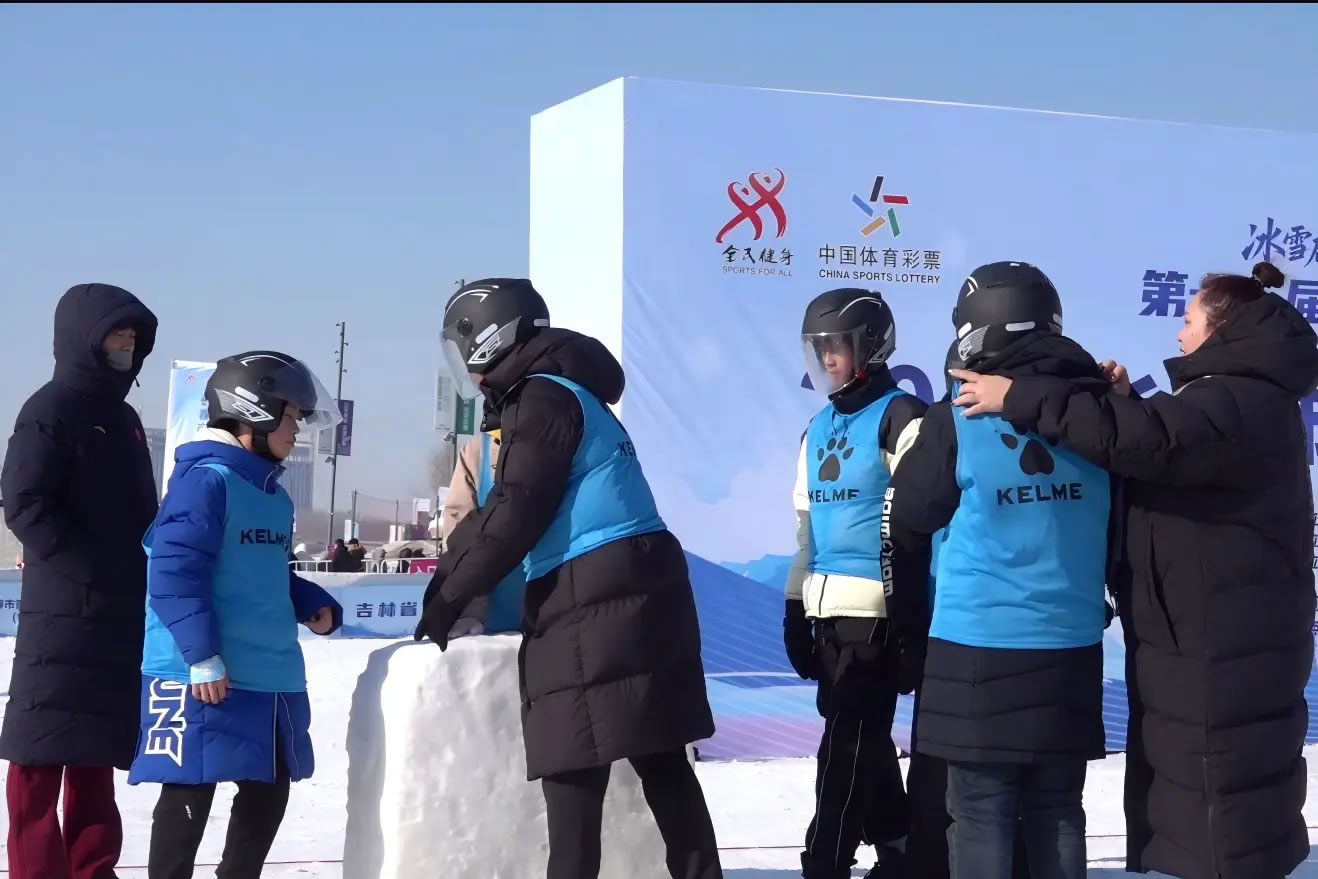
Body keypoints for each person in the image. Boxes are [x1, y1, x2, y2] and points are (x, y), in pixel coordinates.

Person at [948, 261, 1318, 879]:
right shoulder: (1237, 397)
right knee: (1214, 800)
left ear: (1222, 330)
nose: (1178, 332)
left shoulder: (1234, 398)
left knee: (1220, 806)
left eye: (1190, 320)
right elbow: (1166, 445)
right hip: (1217, 634)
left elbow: (1151, 442)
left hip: (1221, 643)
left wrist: (1017, 396)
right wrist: (1125, 403)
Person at [414, 278, 723, 879]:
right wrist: (450, 573)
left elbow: (517, 512)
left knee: (572, 772)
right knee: (663, 763)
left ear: (489, 339)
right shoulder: (570, 392)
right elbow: (503, 506)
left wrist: (449, 596)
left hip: (592, 594)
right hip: (636, 587)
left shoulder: (541, 397)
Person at [881, 262, 1112, 879]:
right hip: (1071, 643)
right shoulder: (1099, 411)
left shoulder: (958, 416)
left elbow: (910, 517)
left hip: (978, 648)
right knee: (1058, 810)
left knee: (980, 814)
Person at [126, 351, 344, 879]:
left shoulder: (272, 495)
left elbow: (261, 570)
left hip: (267, 669)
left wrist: (309, 601)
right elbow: (173, 573)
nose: (298, 429)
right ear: (254, 412)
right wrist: (202, 656)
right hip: (202, 670)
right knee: (191, 788)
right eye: (291, 416)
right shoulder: (206, 481)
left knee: (270, 785)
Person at [1, 283, 159, 879]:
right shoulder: (48, 410)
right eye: (117, 334)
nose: (126, 345)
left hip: (117, 615)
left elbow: (143, 514)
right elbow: (24, 502)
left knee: (94, 754)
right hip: (62, 614)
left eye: (133, 338)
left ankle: (93, 869)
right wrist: (89, 570)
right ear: (84, 338)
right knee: (40, 756)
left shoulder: (125, 420)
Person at [782, 288, 926, 879]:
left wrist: (911, 617)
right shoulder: (816, 428)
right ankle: (901, 851)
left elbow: (920, 527)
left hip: (878, 612)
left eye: (837, 344)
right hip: (827, 612)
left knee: (845, 747)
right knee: (861, 737)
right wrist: (796, 607)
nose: (827, 358)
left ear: (871, 346)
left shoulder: (902, 418)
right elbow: (806, 532)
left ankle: (826, 860)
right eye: (819, 348)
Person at [441, 411, 527, 636]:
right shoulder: (478, 452)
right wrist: (468, 610)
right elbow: (459, 537)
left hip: (560, 619)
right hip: (488, 627)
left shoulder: (569, 440)